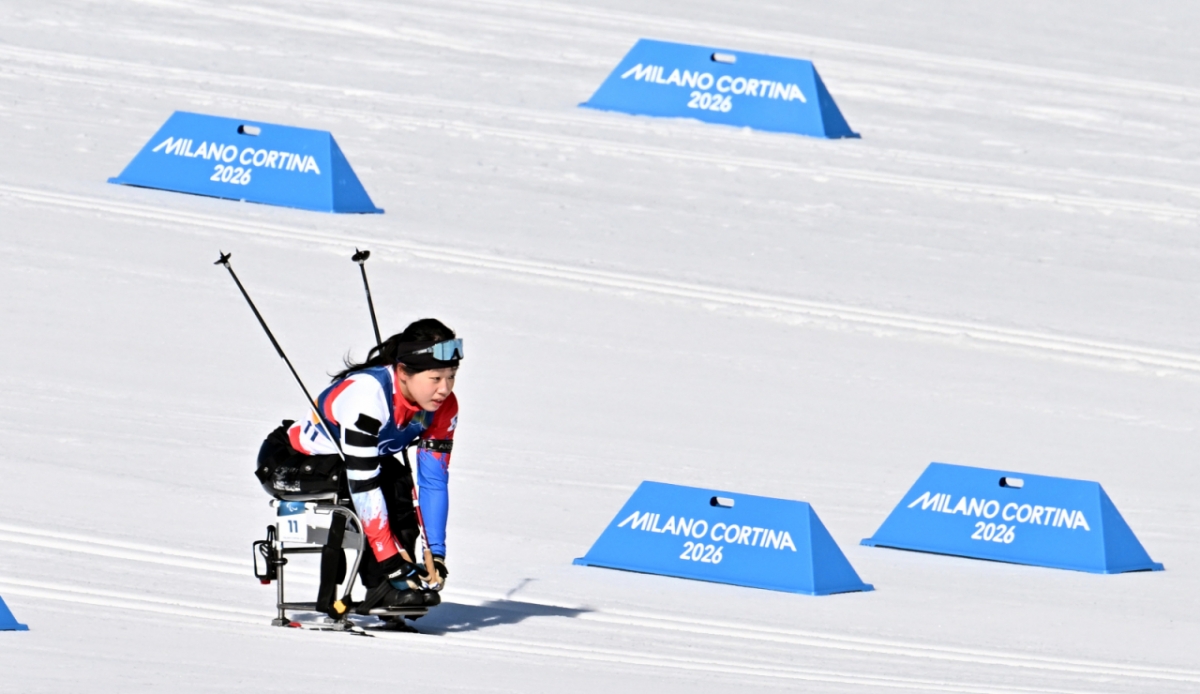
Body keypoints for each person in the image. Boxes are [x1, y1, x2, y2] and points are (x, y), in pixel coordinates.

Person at [258, 318, 461, 613]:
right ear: (404, 372)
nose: (445, 389)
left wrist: (437, 553)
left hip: (347, 468)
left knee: (398, 478)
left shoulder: (441, 408)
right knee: (373, 482)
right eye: (435, 378)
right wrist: (389, 559)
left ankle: (403, 580)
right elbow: (363, 484)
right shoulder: (368, 397)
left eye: (451, 376)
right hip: (287, 463)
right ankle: (383, 582)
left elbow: (433, 481)